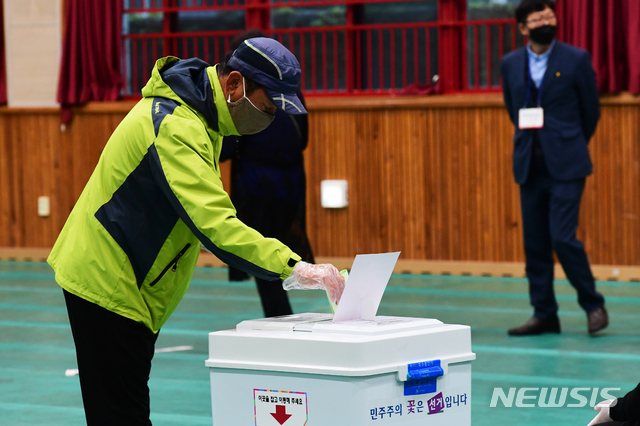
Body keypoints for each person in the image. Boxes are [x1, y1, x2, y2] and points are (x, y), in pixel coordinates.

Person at [47, 37, 345, 426]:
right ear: (234, 85)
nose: (269, 120)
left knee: (122, 409)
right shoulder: (175, 126)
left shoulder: (203, 116)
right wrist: (295, 266)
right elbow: (216, 226)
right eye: (267, 108)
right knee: (121, 415)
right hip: (108, 279)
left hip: (130, 279)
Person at [500, 0, 608, 336]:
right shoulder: (510, 63)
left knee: (562, 238)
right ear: (523, 28)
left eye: (550, 15)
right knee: (535, 244)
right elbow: (512, 108)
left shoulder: (576, 58)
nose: (547, 21)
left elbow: (591, 110)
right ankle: (545, 313)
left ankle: (593, 304)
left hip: (567, 162)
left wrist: (570, 142)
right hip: (529, 163)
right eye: (538, 18)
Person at [220, 29, 314, 317]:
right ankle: (282, 314)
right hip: (291, 184)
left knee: (263, 253)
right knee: (274, 250)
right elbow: (303, 139)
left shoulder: (252, 98)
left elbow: (226, 150)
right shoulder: (289, 91)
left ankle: (279, 315)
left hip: (257, 187)